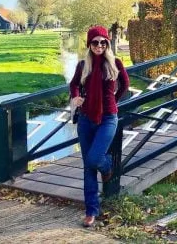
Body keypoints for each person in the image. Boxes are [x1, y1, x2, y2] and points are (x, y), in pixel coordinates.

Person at [70, 25, 130, 228]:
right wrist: (76, 97)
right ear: (89, 44)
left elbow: (125, 85)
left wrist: (113, 101)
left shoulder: (115, 63)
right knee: (88, 166)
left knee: (95, 159)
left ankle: (108, 167)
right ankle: (91, 211)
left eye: (103, 42)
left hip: (107, 118)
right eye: (95, 42)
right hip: (86, 119)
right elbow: (74, 84)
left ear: (107, 43)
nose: (99, 45)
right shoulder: (82, 65)